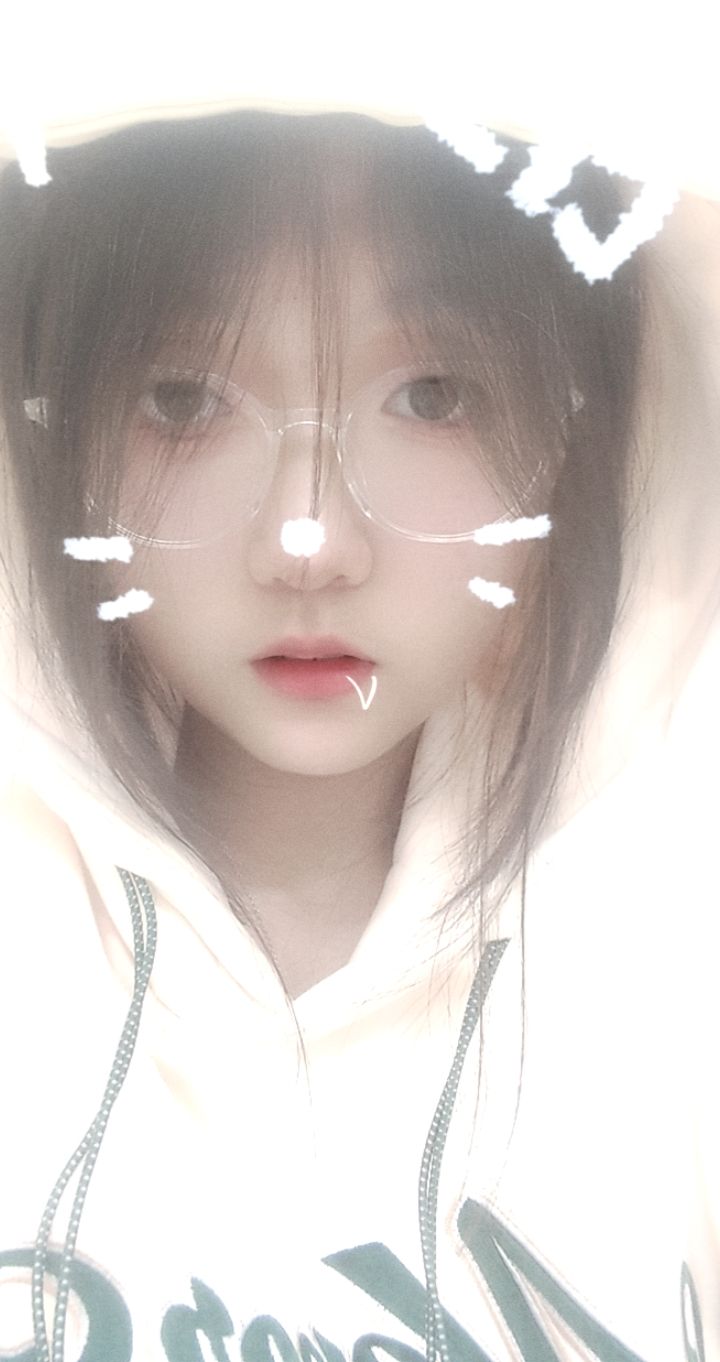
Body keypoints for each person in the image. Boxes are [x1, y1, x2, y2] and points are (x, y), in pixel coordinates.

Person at [0, 100, 717, 1361]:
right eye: (183, 396)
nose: (310, 541)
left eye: (433, 395)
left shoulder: (679, 977)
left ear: (601, 425)